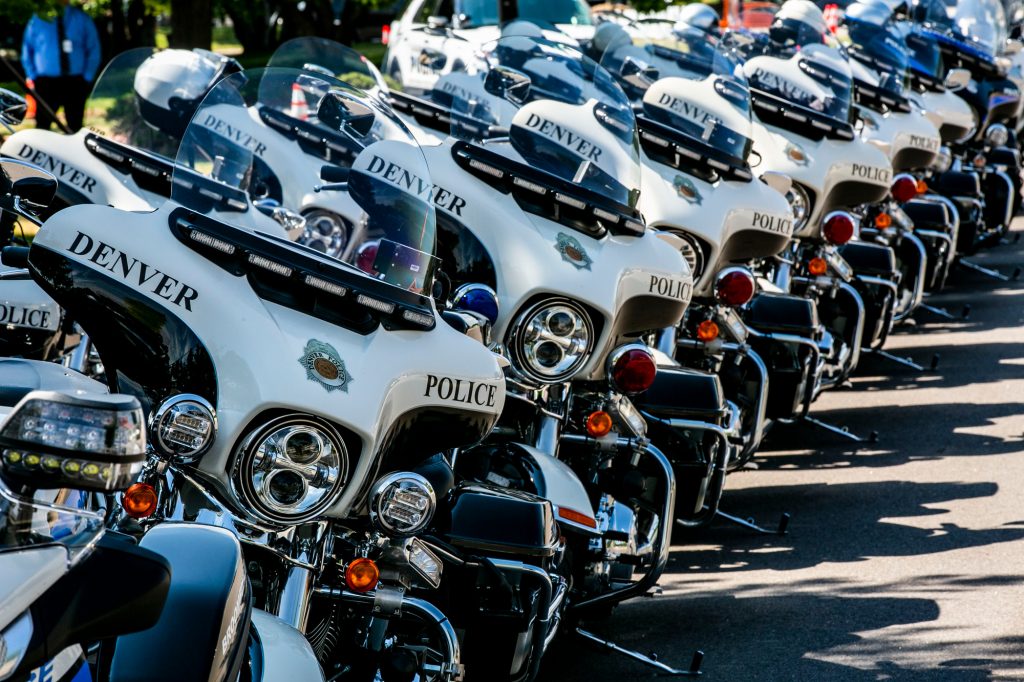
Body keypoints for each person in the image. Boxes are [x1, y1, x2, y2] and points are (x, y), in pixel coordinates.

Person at [20, 0, 101, 132]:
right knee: (42, 126)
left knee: (74, 126)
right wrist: (32, 75)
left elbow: (93, 50)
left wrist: (87, 77)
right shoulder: (37, 19)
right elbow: (27, 50)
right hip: (45, 82)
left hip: (75, 81)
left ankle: (72, 152)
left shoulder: (82, 19)